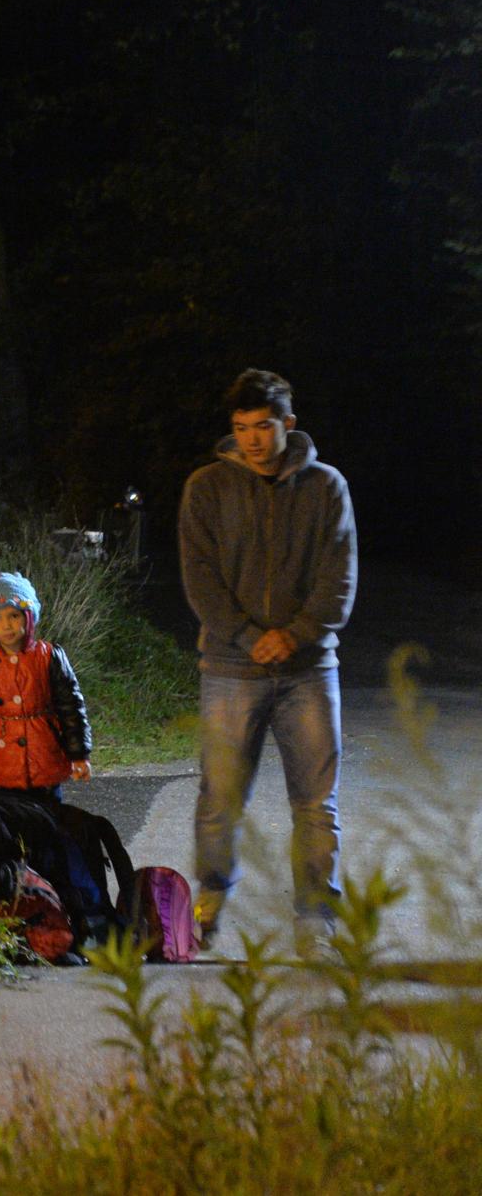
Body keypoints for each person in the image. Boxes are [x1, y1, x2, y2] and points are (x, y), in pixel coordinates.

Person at [179, 368, 356, 945]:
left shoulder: (326, 487)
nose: (253, 439)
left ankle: (315, 913)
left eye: (264, 426)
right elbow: (200, 578)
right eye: (241, 427)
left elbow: (340, 578)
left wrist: (297, 633)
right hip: (231, 669)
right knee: (220, 797)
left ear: (288, 424)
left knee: (315, 801)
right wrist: (247, 635)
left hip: (309, 669)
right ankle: (210, 893)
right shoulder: (206, 486)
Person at [0, 571, 92, 802]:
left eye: (14, 615)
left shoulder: (50, 657)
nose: (6, 625)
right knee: (6, 823)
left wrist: (79, 753)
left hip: (43, 756)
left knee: (48, 822)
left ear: (29, 616)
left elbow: (70, 706)